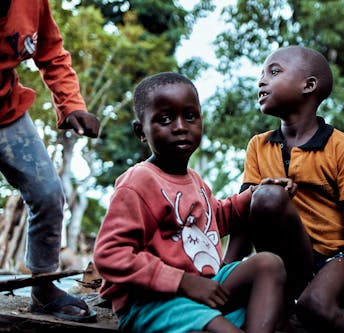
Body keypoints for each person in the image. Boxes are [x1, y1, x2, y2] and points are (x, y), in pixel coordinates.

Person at [93, 72, 291, 333]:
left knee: (269, 264)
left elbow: (215, 219)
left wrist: (253, 196)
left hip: (199, 289)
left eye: (190, 116)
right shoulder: (139, 181)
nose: (180, 126)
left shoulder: (194, 180)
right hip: (153, 301)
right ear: (141, 131)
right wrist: (182, 282)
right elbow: (109, 255)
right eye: (164, 119)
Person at [224, 45, 344, 332]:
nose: (261, 81)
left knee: (315, 307)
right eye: (261, 73)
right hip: (285, 261)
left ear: (309, 85)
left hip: (336, 258)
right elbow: (244, 218)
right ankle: (284, 292)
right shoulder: (258, 146)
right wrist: (223, 273)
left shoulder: (342, 147)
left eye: (274, 71)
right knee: (264, 196)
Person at [0, 0, 99, 322]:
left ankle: (43, 289)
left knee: (47, 194)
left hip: (8, 113)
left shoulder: (30, 3)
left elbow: (51, 52)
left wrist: (71, 105)